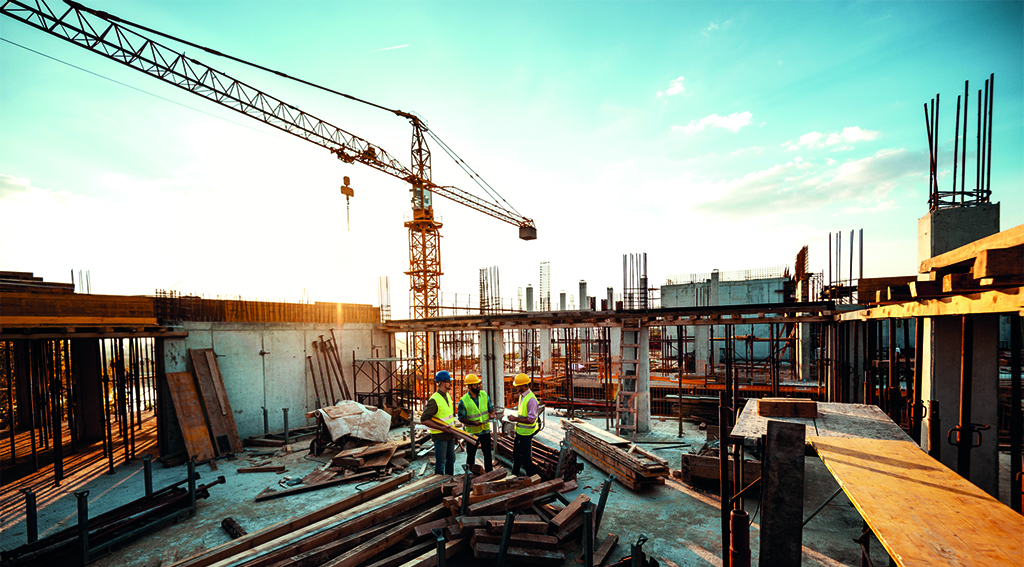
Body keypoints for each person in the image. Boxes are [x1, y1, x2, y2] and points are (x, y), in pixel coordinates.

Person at [458, 374, 496, 473]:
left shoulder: (484, 395)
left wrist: (492, 413)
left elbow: (490, 407)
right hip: (472, 432)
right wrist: (472, 422)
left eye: (478, 384)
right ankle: (469, 475)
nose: (478, 386)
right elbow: (461, 418)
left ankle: (489, 473)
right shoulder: (463, 401)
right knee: (471, 455)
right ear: (469, 386)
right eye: (475, 385)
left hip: (485, 430)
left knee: (487, 454)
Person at [421, 370, 456, 475]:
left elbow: (449, 417)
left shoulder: (447, 396)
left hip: (449, 434)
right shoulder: (434, 399)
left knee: (451, 460)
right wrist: (442, 428)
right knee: (441, 462)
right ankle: (438, 485)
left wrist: (454, 433)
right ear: (441, 383)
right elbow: (424, 419)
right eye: (448, 381)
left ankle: (449, 481)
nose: (450, 383)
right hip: (440, 436)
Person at [505, 373, 539, 477]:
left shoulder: (531, 399)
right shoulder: (522, 396)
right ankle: (514, 475)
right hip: (520, 431)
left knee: (526, 457)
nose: (516, 388)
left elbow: (531, 419)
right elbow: (522, 413)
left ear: (523, 386)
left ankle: (532, 477)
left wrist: (515, 419)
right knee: (516, 455)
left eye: (518, 386)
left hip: (526, 433)